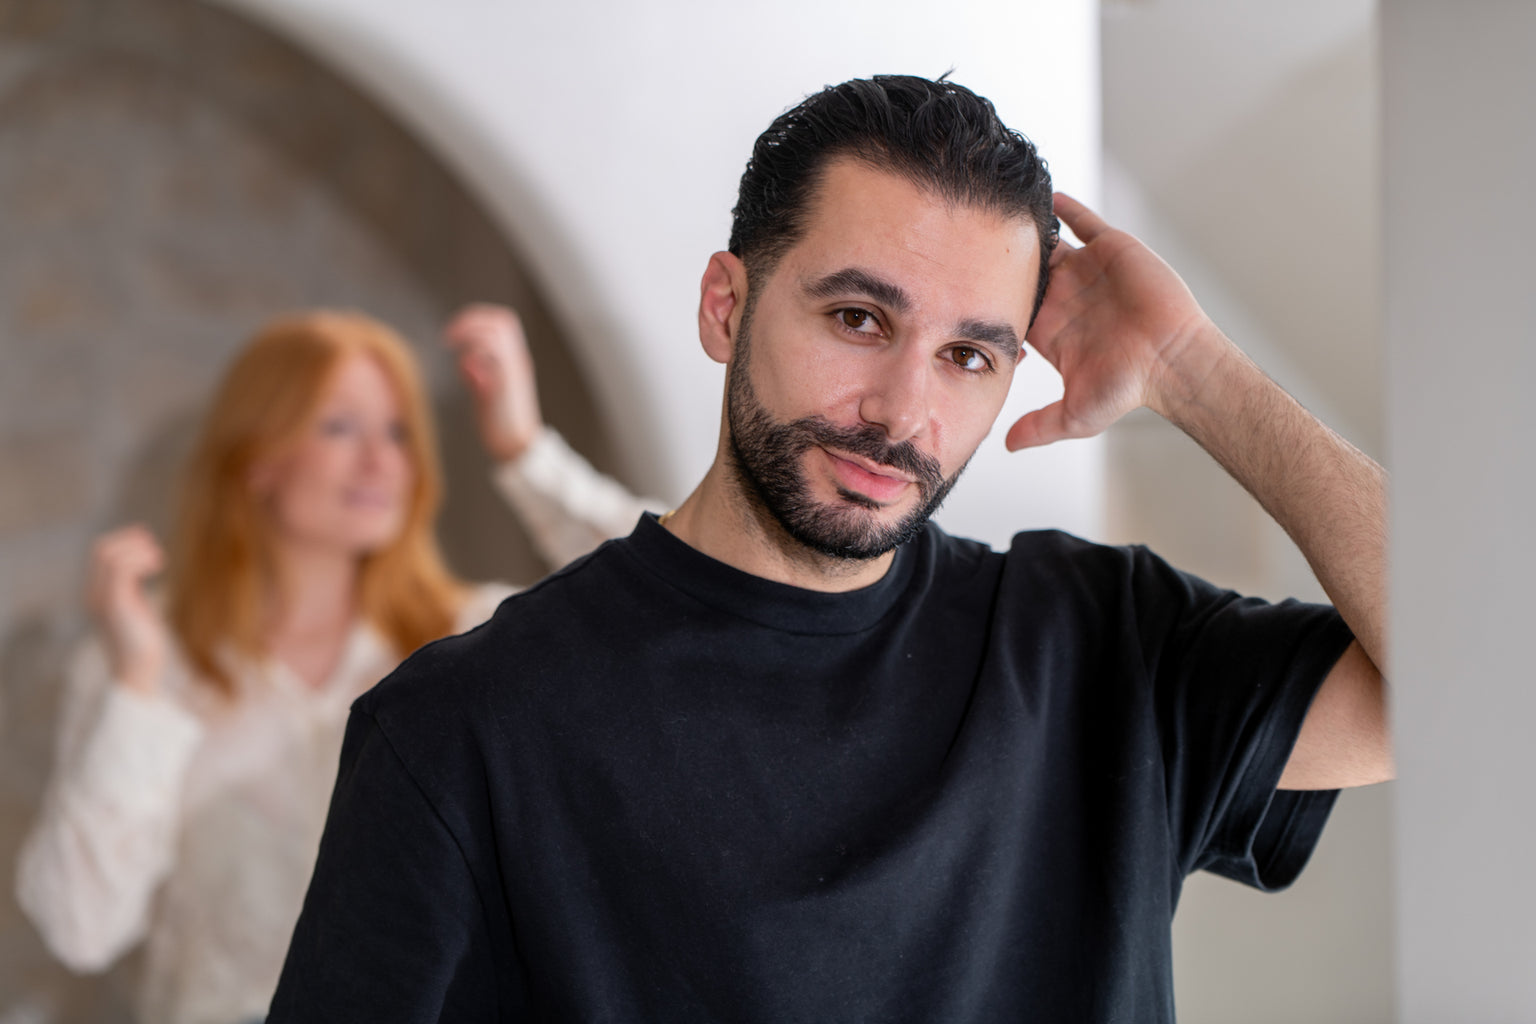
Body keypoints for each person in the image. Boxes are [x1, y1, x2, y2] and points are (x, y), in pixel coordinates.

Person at [269, 75, 1391, 1023]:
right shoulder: (465, 728)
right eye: (860, 319)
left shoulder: (1104, 649)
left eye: (969, 357)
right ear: (725, 305)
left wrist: (1193, 366)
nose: (904, 413)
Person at [15, 304, 651, 1024]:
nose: (382, 461)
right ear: (257, 456)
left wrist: (524, 450)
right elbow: (80, 928)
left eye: (398, 431)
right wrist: (137, 685)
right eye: (340, 427)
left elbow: (672, 604)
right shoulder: (140, 662)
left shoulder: (471, 638)